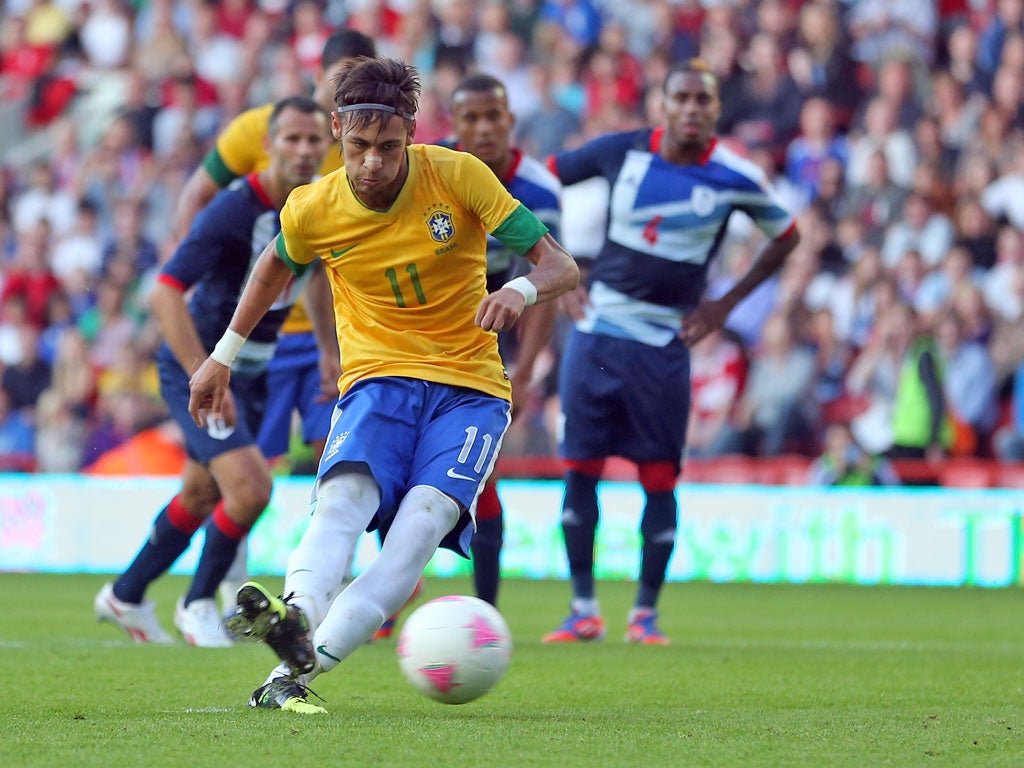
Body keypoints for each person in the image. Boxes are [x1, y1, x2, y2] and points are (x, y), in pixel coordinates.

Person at [188, 58, 579, 713]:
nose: (373, 162)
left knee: (417, 533)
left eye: (389, 148)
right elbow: (272, 269)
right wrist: (222, 355)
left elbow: (560, 265)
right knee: (343, 501)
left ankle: (293, 674)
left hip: (471, 390)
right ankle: (295, 615)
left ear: (412, 134)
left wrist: (518, 288)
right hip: (377, 379)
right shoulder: (312, 208)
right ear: (337, 131)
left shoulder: (459, 176)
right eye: (359, 146)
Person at [541, 58, 799, 646]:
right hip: (599, 333)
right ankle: (583, 610)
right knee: (580, 471)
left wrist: (724, 305)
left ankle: (644, 616)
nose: (690, 109)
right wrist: (556, 267)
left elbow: (788, 237)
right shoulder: (622, 150)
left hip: (664, 343)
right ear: (662, 103)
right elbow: (537, 182)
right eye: (680, 97)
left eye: (701, 100)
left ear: (716, 108)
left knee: (659, 478)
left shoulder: (734, 177)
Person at [93, 96, 329, 647]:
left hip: (255, 373)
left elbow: (314, 276)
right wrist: (206, 371)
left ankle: (126, 594)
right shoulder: (233, 210)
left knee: (201, 494)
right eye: (291, 138)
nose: (303, 149)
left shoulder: (318, 205)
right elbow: (163, 291)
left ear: (326, 146)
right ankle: (197, 603)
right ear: (268, 145)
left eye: (313, 139)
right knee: (250, 489)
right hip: (198, 367)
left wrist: (327, 348)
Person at [173, 29, 375, 608]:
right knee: (244, 470)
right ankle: (228, 585)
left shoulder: (366, 145)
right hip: (256, 333)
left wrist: (335, 341)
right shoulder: (259, 130)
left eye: (360, 81)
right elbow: (197, 196)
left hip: (327, 330)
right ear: (318, 76)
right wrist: (202, 275)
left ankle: (330, 581)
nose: (349, 91)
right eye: (341, 78)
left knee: (338, 454)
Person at [436, 72, 561, 611]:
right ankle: (392, 597)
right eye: (472, 118)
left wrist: (526, 371)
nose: (485, 128)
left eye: (494, 117)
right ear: (455, 125)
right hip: (418, 333)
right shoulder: (428, 170)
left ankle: (486, 609)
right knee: (397, 465)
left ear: (511, 120)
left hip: (485, 344)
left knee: (480, 470)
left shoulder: (538, 190)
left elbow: (548, 281)